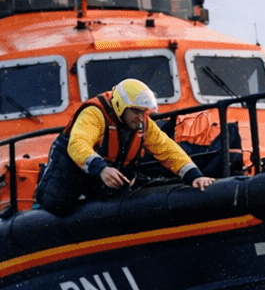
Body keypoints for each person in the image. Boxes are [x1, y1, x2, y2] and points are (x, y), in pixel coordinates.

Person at [34, 77, 216, 215]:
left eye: (143, 111)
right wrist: (102, 169)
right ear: (121, 106)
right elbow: (77, 144)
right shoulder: (94, 114)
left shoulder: (142, 123)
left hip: (105, 170)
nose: (141, 116)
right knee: (55, 202)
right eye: (136, 111)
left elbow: (167, 149)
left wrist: (194, 176)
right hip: (75, 166)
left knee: (117, 194)